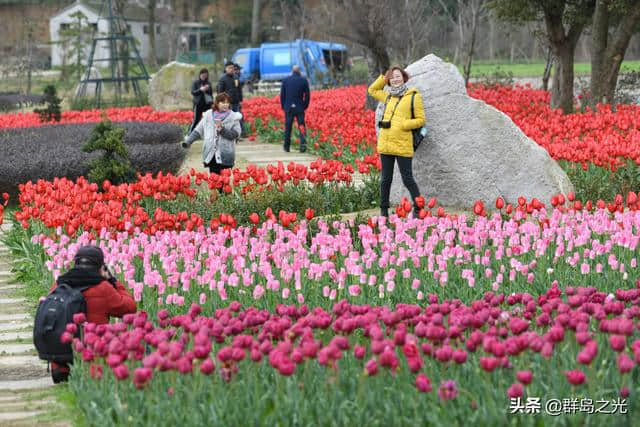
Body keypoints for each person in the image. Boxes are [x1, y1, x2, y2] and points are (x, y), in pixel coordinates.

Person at [47, 245, 136, 383]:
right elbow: (129, 308)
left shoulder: (59, 285)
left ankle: (61, 365)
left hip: (63, 351)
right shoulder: (103, 288)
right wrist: (113, 281)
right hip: (95, 351)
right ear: (100, 267)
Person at [367, 65, 425, 218]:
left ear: (404, 77)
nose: (395, 80)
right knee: (385, 180)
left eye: (398, 76)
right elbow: (372, 90)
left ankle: (419, 207)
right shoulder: (388, 96)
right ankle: (383, 210)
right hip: (386, 144)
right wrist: (384, 77)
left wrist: (405, 124)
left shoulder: (413, 96)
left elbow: (421, 120)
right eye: (392, 78)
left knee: (408, 179)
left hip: (402, 144)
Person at [182, 92, 242, 176]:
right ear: (217, 103)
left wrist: (222, 129)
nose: (226, 105)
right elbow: (198, 130)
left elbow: (235, 134)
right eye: (223, 102)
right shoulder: (208, 115)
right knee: (214, 180)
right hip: (211, 153)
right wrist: (188, 142)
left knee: (224, 182)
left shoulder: (234, 117)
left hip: (225, 153)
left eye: (227, 102)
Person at [280, 65, 310, 153]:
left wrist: (284, 106)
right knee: (301, 127)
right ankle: (303, 146)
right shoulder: (303, 80)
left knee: (288, 127)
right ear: (299, 71)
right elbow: (307, 95)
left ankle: (286, 146)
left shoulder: (286, 80)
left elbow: (282, 95)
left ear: (292, 71)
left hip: (289, 107)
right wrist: (304, 106)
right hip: (300, 107)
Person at [217, 61, 244, 136]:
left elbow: (239, 89)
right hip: (227, 104)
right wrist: (221, 102)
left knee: (237, 119)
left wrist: (240, 100)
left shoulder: (236, 77)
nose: (231, 69)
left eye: (232, 68)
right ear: (226, 69)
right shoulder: (222, 79)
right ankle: (227, 134)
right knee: (228, 119)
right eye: (229, 68)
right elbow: (220, 92)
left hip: (236, 102)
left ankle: (237, 134)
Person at [190, 68, 213, 133]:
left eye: (205, 75)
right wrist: (200, 90)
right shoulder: (196, 82)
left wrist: (207, 89)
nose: (204, 77)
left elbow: (211, 93)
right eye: (203, 75)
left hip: (207, 104)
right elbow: (193, 92)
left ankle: (207, 133)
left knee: (208, 119)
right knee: (196, 120)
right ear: (200, 75)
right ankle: (190, 134)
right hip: (198, 104)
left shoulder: (208, 83)